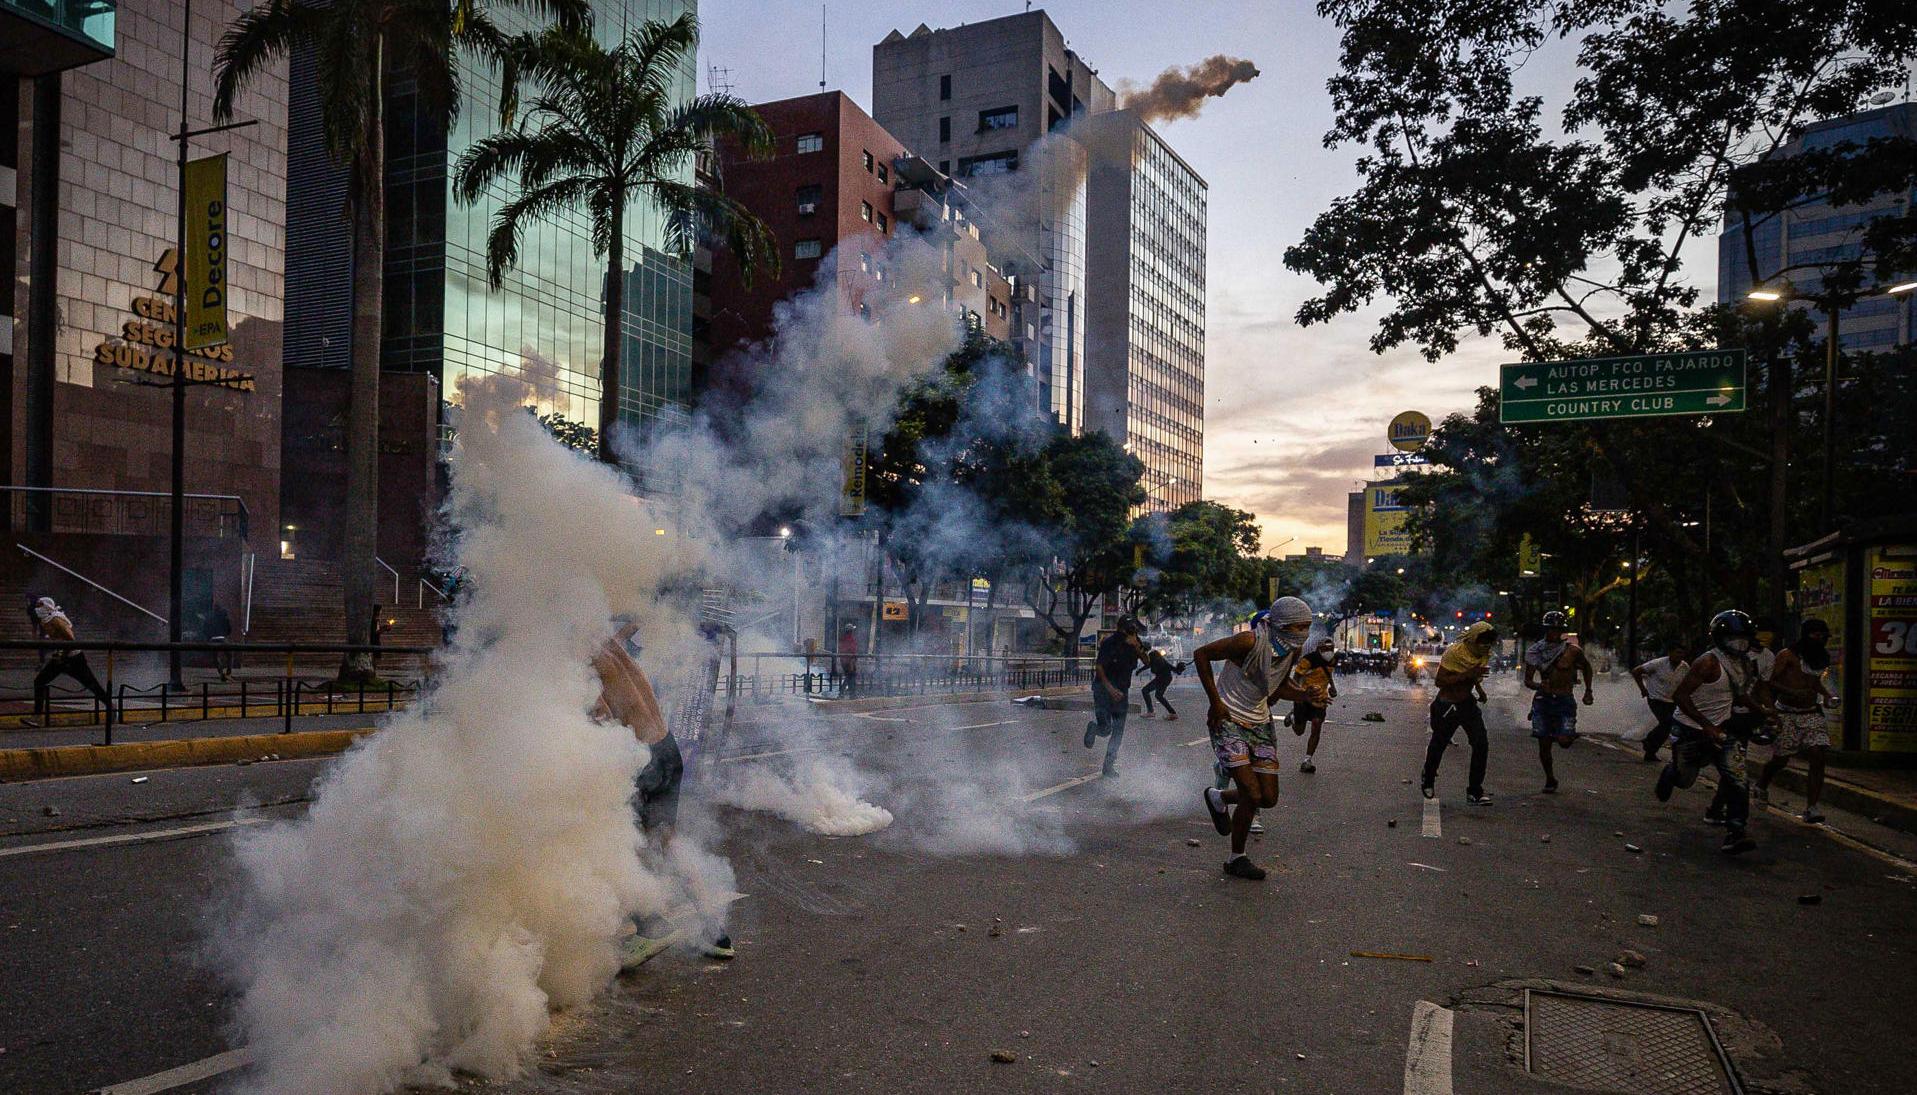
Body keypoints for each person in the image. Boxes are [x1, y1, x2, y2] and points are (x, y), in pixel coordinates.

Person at [592, 621, 734, 966]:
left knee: (629, 843)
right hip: (667, 749)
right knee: (668, 842)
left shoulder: (581, 660)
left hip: (643, 758)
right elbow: (629, 628)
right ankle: (716, 932)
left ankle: (652, 928)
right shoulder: (609, 645)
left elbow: (601, 715)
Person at [1195, 596, 1316, 880]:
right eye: (1301, 626)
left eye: (1308, 627)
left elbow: (1277, 688)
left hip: (1260, 723)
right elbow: (1201, 655)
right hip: (1228, 719)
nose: (1305, 633)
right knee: (1251, 792)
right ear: (1284, 623)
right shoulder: (1248, 641)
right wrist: (1216, 702)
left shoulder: (1292, 651)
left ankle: (1219, 797)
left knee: (1268, 798)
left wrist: (1304, 695)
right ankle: (1237, 858)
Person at [1658, 609, 1766, 855]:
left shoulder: (1744, 664)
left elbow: (1740, 694)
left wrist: (1763, 712)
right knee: (1685, 779)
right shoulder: (1707, 662)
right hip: (1691, 729)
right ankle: (1671, 772)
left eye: (1744, 638)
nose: (1740, 643)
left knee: (1738, 779)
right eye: (1734, 638)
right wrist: (1706, 724)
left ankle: (1736, 831)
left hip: (1723, 730)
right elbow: (1681, 696)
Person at [1754, 619, 1835, 824]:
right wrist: (1791, 692)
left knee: (1817, 754)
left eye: (1822, 636)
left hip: (1810, 713)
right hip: (1787, 713)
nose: (1819, 639)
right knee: (1781, 758)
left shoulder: (1819, 657)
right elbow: (1769, 680)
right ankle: (1761, 784)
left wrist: (1826, 695)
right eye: (1815, 635)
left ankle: (1812, 806)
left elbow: (1814, 682)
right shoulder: (1787, 655)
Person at [1422, 621, 1498, 804]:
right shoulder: (1455, 653)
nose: (1486, 646)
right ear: (1472, 640)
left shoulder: (1484, 654)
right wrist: (1468, 675)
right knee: (1438, 744)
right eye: (1482, 641)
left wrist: (1479, 690)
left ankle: (1474, 791)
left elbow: (1473, 675)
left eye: (1489, 641)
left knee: (1481, 744)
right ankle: (1428, 778)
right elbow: (1440, 680)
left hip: (1467, 704)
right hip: (1447, 704)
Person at [1522, 611, 1593, 794]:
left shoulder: (1572, 651)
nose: (1554, 632)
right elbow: (1528, 680)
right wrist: (1540, 685)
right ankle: (1550, 778)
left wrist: (1588, 690)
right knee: (1543, 744)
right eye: (1551, 629)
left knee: (1565, 741)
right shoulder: (1535, 651)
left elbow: (1586, 668)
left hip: (1564, 699)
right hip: (1543, 700)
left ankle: (1559, 733)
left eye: (1557, 629)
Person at [25, 597, 112, 728]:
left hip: (73, 658)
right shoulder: (46, 620)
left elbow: (71, 639)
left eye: (40, 605)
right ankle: (37, 716)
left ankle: (111, 707)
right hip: (60, 657)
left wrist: (62, 654)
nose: (37, 609)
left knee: (91, 683)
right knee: (40, 681)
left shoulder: (56, 619)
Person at [1083, 618, 1146, 777]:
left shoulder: (1135, 643)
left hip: (1122, 693)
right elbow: (1099, 667)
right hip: (1104, 691)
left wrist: (1137, 647)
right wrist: (1110, 689)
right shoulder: (1110, 642)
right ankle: (1094, 728)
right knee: (1106, 729)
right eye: (1131, 628)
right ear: (1124, 628)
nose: (1134, 631)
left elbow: (1147, 660)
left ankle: (1108, 766)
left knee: (1118, 731)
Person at [1630, 641, 1690, 763]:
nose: (1679, 656)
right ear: (1670, 653)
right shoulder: (1658, 664)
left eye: (1682, 654)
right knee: (1667, 723)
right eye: (1677, 653)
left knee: (1669, 726)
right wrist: (1643, 689)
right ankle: (1650, 742)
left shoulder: (1685, 667)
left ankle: (1650, 750)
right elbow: (1636, 671)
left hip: (1672, 701)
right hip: (1656, 699)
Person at [1288, 638, 1338, 773]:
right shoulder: (1308, 660)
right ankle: (1294, 717)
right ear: (1319, 649)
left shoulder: (1333, 660)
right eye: (1326, 650)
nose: (1329, 652)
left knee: (1316, 725)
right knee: (1299, 731)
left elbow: (1328, 675)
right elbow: (1295, 679)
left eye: (1331, 649)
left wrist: (1332, 687)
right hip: (1303, 698)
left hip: (1320, 699)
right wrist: (1298, 695)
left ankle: (1307, 760)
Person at [1135, 647, 1186, 721]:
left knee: (1146, 691)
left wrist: (1180, 668)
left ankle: (1151, 711)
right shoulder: (1161, 661)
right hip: (1164, 679)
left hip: (1162, 679)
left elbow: (1149, 665)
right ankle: (1172, 713)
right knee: (1158, 696)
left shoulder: (1158, 662)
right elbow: (1176, 670)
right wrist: (1139, 670)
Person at [204, 602, 235, 681]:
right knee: (230, 655)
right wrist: (225, 634)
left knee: (215, 657)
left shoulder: (209, 616)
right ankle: (228, 673)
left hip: (213, 639)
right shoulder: (224, 616)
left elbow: (205, 629)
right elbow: (229, 628)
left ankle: (221, 672)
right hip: (222, 638)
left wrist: (209, 637)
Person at [835, 622, 860, 697]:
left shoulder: (843, 638)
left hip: (844, 661)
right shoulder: (851, 639)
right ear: (851, 631)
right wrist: (852, 662)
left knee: (850, 676)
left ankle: (851, 693)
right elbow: (852, 651)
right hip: (849, 661)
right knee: (850, 676)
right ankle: (844, 692)